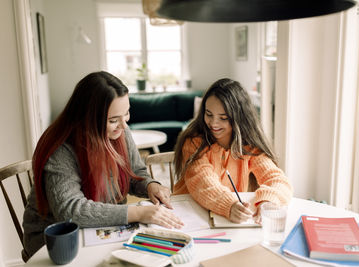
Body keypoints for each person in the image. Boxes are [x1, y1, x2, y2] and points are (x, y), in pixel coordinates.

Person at [22, 71, 183, 258]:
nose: (124, 125)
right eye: (113, 120)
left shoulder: (120, 131)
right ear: (87, 118)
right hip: (55, 242)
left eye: (127, 113)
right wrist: (138, 213)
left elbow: (135, 172)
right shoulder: (61, 149)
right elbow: (71, 210)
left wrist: (150, 185)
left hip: (99, 229)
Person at [173, 78, 293, 224]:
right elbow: (203, 182)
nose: (213, 123)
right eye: (209, 114)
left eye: (223, 118)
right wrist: (228, 205)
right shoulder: (193, 142)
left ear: (239, 118)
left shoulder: (249, 147)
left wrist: (268, 201)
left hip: (224, 220)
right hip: (188, 214)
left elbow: (277, 180)